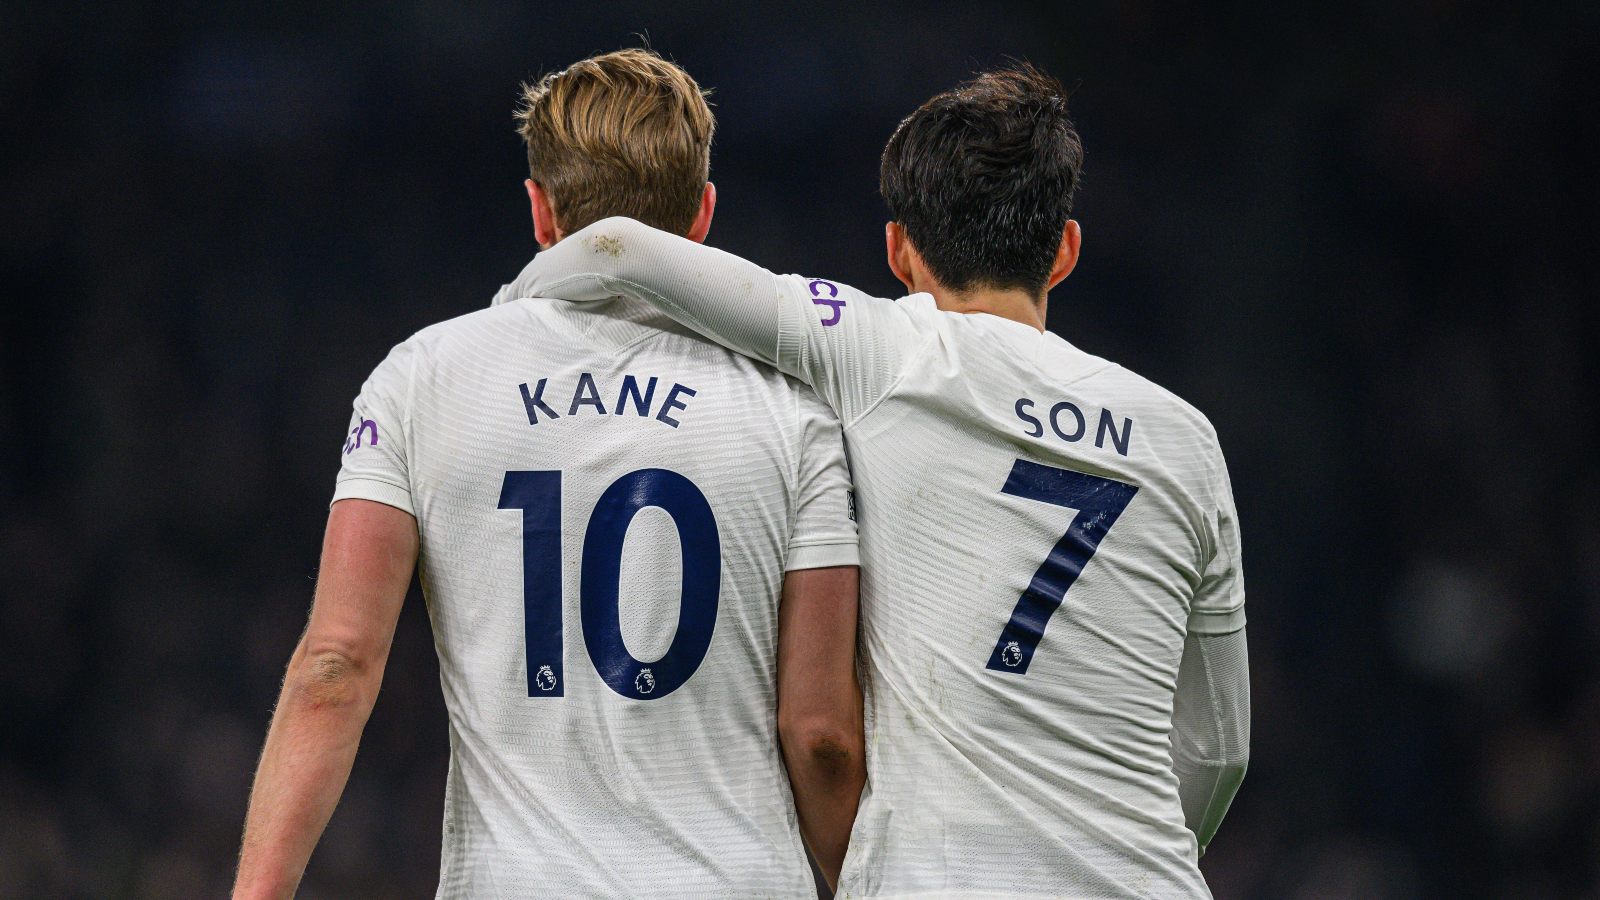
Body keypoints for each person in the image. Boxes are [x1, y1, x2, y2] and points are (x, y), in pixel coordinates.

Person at [513, 64, 1250, 898]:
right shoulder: (1184, 437)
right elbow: (1219, 748)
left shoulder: (880, 351)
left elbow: (620, 246)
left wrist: (516, 305)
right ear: (1066, 251)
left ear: (898, 250)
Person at [232, 49, 866, 899]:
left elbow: (335, 666)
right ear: (703, 217)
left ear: (540, 210)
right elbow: (820, 730)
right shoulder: (793, 409)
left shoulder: (421, 378)